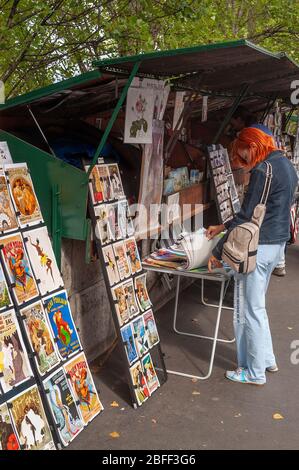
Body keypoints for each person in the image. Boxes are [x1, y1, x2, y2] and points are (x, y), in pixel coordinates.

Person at [206, 127, 298, 385]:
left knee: (249, 310)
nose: (242, 158)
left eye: (242, 151)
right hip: (276, 245)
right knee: (257, 306)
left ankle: (253, 372)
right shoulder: (286, 166)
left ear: (251, 145)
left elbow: (248, 217)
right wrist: (223, 226)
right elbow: (260, 211)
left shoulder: (262, 171)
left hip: (257, 248)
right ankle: (266, 360)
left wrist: (217, 250)